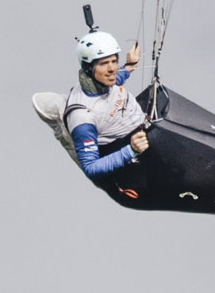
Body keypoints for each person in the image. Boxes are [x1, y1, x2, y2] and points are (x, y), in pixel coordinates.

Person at [32, 27, 153, 179]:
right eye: (104, 64)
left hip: (148, 129)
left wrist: (130, 65)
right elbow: (90, 167)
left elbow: (117, 76)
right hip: (133, 152)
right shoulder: (82, 117)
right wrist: (131, 151)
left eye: (114, 61)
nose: (112, 69)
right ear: (89, 69)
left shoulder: (107, 80)